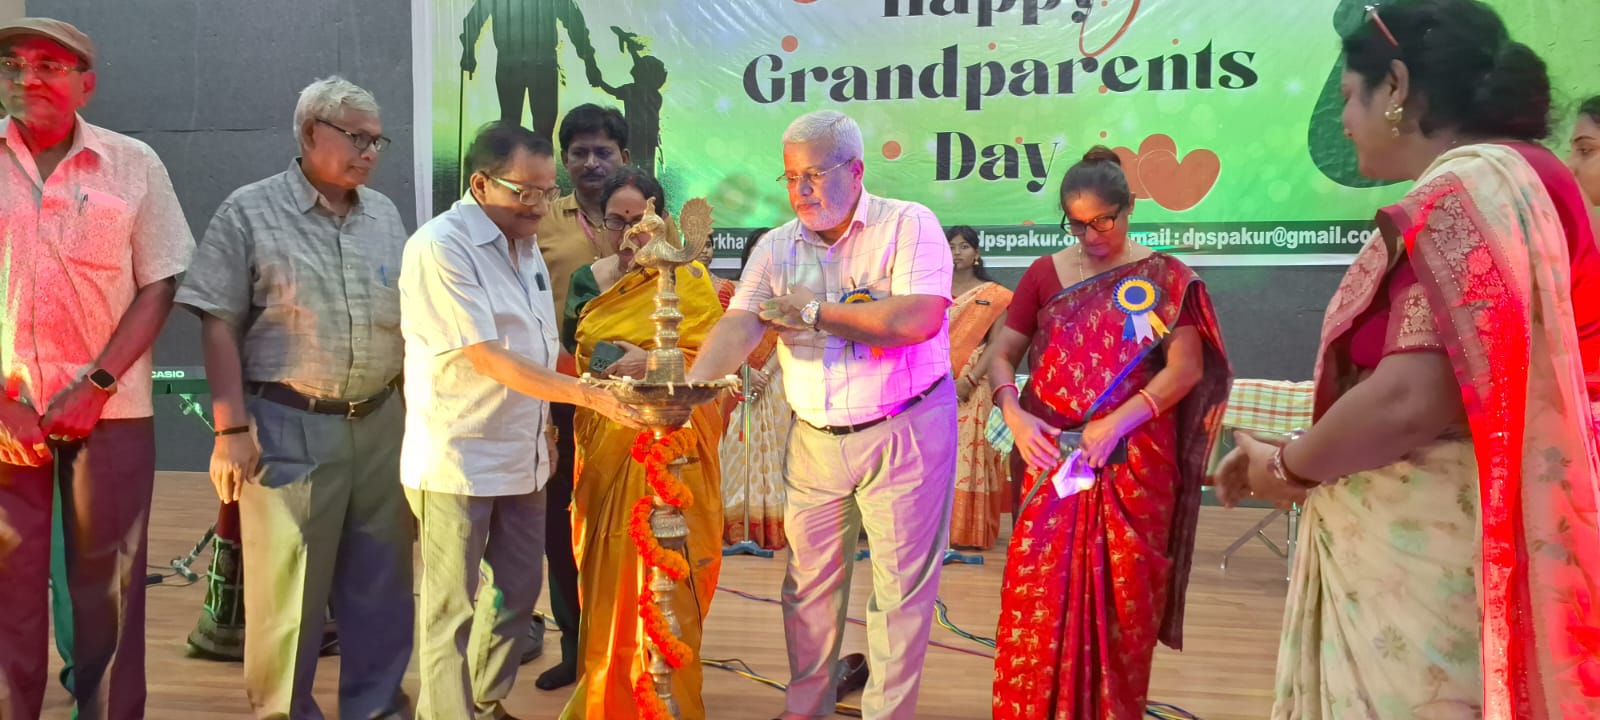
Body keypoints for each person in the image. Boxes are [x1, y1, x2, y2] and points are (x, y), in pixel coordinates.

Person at [1214, 2, 1600, 716]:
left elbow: (1410, 399)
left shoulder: (1464, 194)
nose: (1342, 121)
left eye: (1346, 97)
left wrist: (1287, 468)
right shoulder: (1527, 179)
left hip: (1429, 575)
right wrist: (1295, 450)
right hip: (1472, 545)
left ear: (1394, 86)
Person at [686, 109, 951, 720]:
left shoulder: (908, 224)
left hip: (905, 427)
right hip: (814, 436)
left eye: (814, 174)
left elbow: (917, 320)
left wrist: (814, 312)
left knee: (900, 591)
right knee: (806, 588)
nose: (801, 190)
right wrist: (688, 391)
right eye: (790, 177)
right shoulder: (777, 246)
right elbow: (741, 322)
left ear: (855, 171)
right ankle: (807, 709)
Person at [175, 76, 414, 719]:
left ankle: (377, 708)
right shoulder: (249, 211)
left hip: (381, 421)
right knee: (290, 592)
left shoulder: (385, 215)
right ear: (311, 132)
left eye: (378, 140)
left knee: (383, 584)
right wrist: (230, 430)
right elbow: (217, 321)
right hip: (288, 424)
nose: (370, 152)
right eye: (357, 138)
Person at [400, 121, 643, 720]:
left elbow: (538, 346)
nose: (539, 205)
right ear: (481, 184)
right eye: (525, 192)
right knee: (451, 608)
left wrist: (558, 421)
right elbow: (487, 357)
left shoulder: (525, 241)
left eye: (546, 190)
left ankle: (485, 704)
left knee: (515, 595)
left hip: (526, 451)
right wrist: (590, 397)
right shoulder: (441, 246)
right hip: (458, 457)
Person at [986, 146, 1231, 719]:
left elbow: (1186, 369)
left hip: (1133, 464)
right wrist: (1013, 413)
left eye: (1103, 220)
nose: (1091, 236)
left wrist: (1118, 421)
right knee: (1036, 600)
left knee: (1123, 603)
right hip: (1051, 461)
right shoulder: (1044, 273)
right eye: (1076, 223)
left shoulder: (1164, 278)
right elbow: (1001, 354)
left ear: (1129, 208)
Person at [0, 17, 195, 720]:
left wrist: (97, 384)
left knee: (108, 591)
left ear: (86, 83)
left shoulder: (132, 163)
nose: (27, 78)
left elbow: (160, 281)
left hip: (110, 415)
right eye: (14, 64)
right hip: (5, 418)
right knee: (7, 590)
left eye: (49, 65)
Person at [558, 167, 725, 719]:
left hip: (674, 447)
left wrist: (652, 361)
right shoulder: (588, 280)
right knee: (609, 573)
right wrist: (611, 366)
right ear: (600, 222)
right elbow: (580, 357)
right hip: (606, 443)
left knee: (672, 569)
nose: (631, 234)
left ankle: (668, 698)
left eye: (640, 220)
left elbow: (712, 359)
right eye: (617, 221)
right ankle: (610, 699)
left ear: (663, 222)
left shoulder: (689, 279)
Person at [526, 102, 634, 692]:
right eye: (579, 153)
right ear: (563, 160)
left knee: (632, 524)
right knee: (562, 524)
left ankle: (628, 645)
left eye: (603, 151)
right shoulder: (539, 219)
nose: (592, 162)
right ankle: (575, 645)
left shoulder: (651, 222)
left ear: (625, 157)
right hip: (561, 395)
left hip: (637, 402)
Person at [718, 228, 790, 551]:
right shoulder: (729, 293)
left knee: (775, 455)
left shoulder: (787, 298)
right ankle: (738, 529)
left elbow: (789, 338)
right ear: (749, 256)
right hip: (736, 381)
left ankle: (770, 530)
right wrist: (744, 371)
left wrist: (765, 372)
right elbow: (720, 338)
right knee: (737, 451)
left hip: (775, 382)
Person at [943, 225, 1012, 551]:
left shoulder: (995, 295)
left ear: (977, 253)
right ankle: (933, 534)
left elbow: (998, 343)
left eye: (964, 246)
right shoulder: (930, 292)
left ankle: (966, 532)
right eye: (951, 246)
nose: (957, 253)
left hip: (972, 386)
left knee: (971, 457)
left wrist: (968, 381)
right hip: (930, 387)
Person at [459, 0, 598, 141]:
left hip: (523, 64)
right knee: (520, 129)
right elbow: (575, 24)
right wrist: (589, 61)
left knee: (520, 129)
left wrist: (468, 52)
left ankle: (521, 151)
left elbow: (575, 23)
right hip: (529, 64)